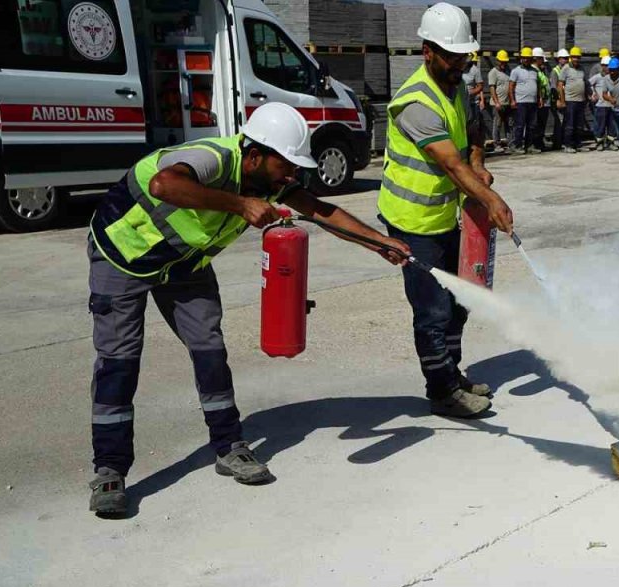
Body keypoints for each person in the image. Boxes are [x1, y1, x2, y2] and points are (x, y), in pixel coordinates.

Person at [84, 102, 414, 515]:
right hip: (122, 256)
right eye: (286, 166)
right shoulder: (211, 158)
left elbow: (321, 210)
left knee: (210, 351)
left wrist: (377, 242)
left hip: (185, 265)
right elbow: (164, 186)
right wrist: (239, 205)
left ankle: (229, 446)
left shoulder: (270, 181)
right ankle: (109, 469)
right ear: (254, 155)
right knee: (119, 361)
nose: (292, 176)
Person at [380, 2, 516, 423]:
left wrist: (478, 160)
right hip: (411, 222)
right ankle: (440, 392)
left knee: (460, 301)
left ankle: (452, 376)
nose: (460, 64)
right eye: (452, 56)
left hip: (445, 215)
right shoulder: (416, 102)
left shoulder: (455, 86)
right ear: (428, 51)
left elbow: (473, 130)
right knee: (433, 310)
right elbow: (448, 165)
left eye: (464, 56)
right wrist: (491, 200)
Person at [507, 47, 541, 154]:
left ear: (531, 59)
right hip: (520, 102)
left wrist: (539, 98)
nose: (525, 60)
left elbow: (538, 86)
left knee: (532, 126)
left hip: (533, 102)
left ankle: (529, 146)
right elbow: (511, 87)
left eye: (528, 58)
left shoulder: (535, 71)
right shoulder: (515, 71)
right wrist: (512, 100)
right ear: (521, 58)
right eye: (524, 58)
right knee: (520, 125)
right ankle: (517, 146)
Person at [557, 47, 588, 153]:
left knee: (579, 124)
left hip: (581, 100)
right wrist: (562, 100)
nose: (576, 59)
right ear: (571, 58)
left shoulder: (582, 68)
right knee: (569, 124)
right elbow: (560, 85)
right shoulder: (565, 68)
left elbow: (585, 83)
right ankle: (567, 145)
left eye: (578, 57)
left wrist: (588, 96)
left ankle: (578, 144)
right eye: (574, 57)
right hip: (570, 101)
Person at [487, 50, 513, 150]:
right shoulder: (493, 72)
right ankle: (497, 144)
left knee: (509, 124)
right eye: (502, 62)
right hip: (497, 104)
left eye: (505, 62)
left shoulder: (508, 71)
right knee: (497, 124)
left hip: (507, 103)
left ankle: (510, 143)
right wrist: (497, 102)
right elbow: (492, 88)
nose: (504, 64)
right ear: (497, 61)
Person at [589, 56, 615, 150]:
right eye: (605, 65)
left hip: (611, 105)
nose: (607, 67)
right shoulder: (597, 77)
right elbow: (588, 84)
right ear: (602, 66)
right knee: (600, 125)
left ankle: (610, 142)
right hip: (601, 105)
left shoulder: (613, 77)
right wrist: (593, 94)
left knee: (612, 125)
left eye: (609, 66)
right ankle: (599, 143)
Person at [461, 52, 485, 142]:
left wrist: (471, 92)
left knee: (473, 124)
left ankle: (474, 144)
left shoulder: (475, 70)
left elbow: (480, 86)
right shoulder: (459, 68)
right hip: (461, 102)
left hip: (472, 103)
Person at [548, 49, 569, 150]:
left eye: (566, 58)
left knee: (565, 121)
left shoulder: (567, 69)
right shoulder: (555, 71)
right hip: (558, 100)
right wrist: (558, 100)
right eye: (563, 58)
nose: (565, 60)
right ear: (559, 59)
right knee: (559, 122)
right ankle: (557, 143)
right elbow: (553, 87)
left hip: (566, 99)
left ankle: (563, 141)